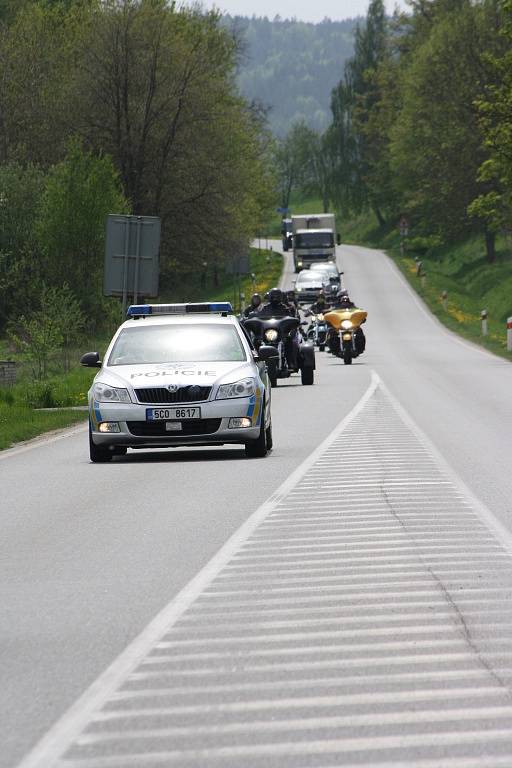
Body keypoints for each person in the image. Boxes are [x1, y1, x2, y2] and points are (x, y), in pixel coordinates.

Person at [259, 287, 300, 369]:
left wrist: (293, 322)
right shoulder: (265, 308)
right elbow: (259, 318)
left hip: (282, 333)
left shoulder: (285, 308)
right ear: (270, 296)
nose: (275, 298)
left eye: (277, 296)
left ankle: (290, 361)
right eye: (273, 296)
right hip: (268, 332)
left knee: (289, 341)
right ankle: (255, 362)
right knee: (256, 341)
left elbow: (290, 318)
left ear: (280, 297)